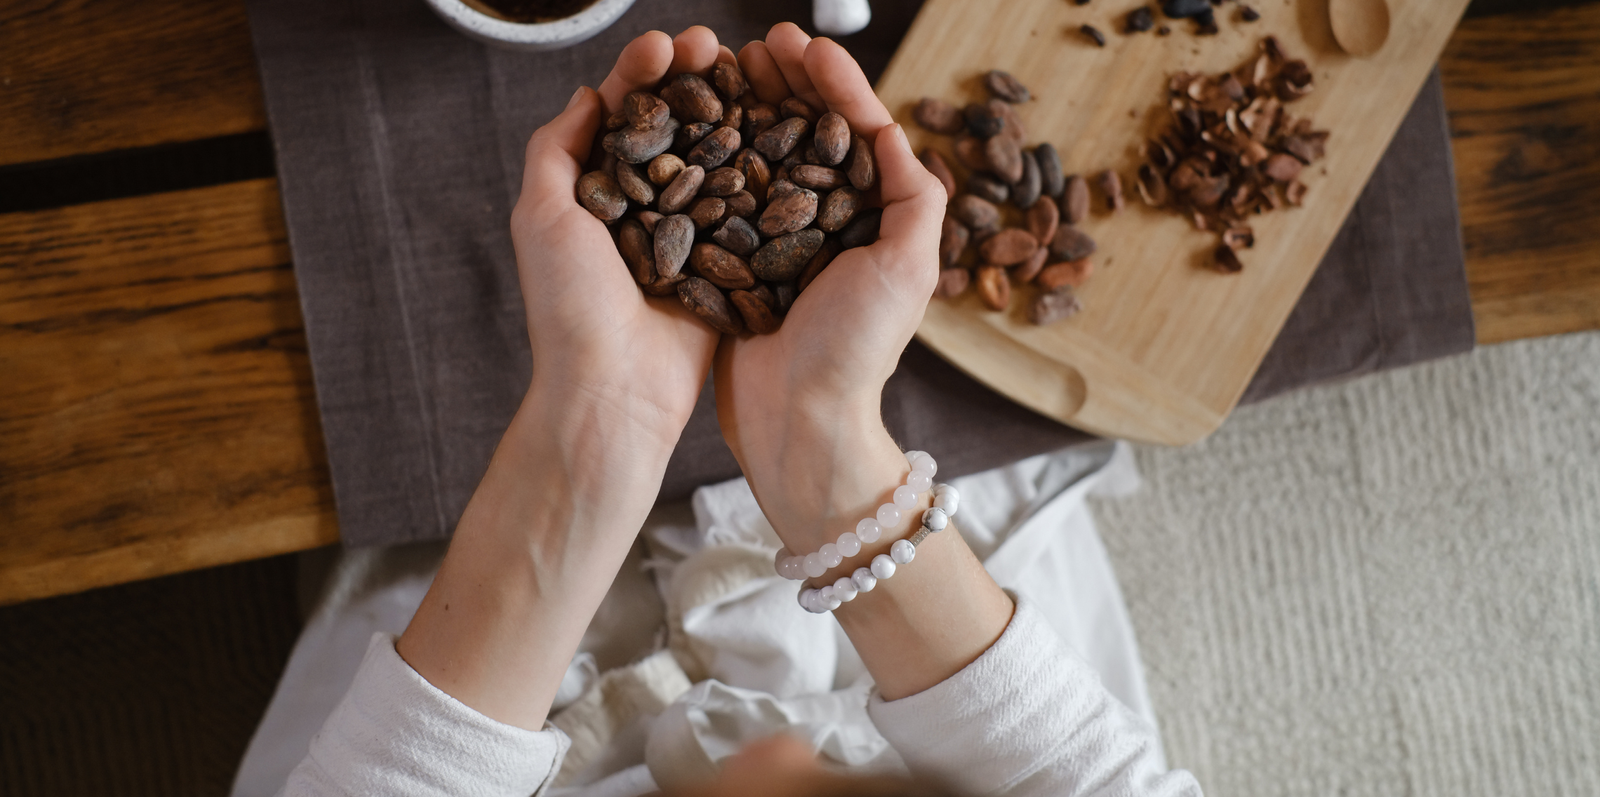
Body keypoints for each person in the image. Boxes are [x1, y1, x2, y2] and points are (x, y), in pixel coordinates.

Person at [276, 24, 1202, 797]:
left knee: (387, 571)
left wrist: (589, 427)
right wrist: (826, 445)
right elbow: (1086, 774)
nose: (798, 761)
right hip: (921, 668)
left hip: (478, 717)